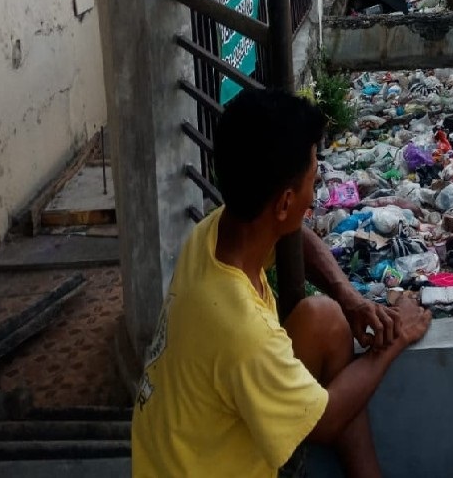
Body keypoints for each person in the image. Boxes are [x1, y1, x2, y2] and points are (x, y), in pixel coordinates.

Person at [131, 88, 432, 477]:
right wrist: (396, 338)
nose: (316, 186)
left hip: (177, 451)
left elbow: (296, 237)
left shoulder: (214, 235)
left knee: (324, 317)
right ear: (286, 203)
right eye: (312, 175)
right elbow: (324, 421)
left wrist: (348, 296)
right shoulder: (243, 332)